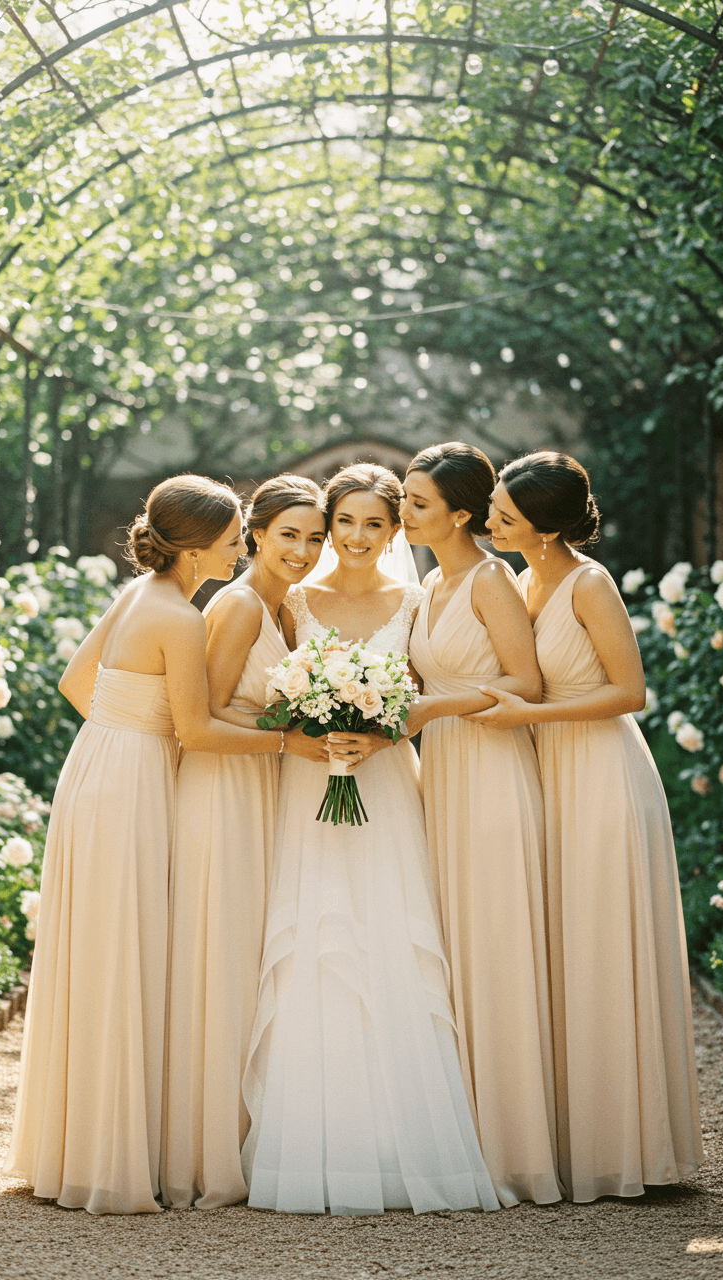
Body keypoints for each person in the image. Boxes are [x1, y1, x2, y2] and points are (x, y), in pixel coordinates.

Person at [5, 474, 308, 1215]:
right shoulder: (178, 616)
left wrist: (124, 725)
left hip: (96, 764)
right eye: (236, 537)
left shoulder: (137, 593)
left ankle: (80, 1146)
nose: (242, 548)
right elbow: (197, 731)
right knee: (127, 951)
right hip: (133, 781)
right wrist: (291, 745)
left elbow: (79, 682)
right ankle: (113, 1158)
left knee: (98, 951)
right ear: (198, 547)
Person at [241, 463, 499, 1216]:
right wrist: (311, 731)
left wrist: (381, 733)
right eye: (344, 522)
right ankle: (305, 1141)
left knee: (390, 928)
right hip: (305, 783)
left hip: (385, 781)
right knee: (313, 932)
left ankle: (401, 1141)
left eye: (374, 524)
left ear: (394, 532)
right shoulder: (293, 600)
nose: (356, 537)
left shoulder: (416, 601)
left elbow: (423, 689)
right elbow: (277, 696)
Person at [469, 450, 704, 1202]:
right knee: (564, 946)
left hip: (601, 773)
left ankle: (633, 1146)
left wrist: (532, 713)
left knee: (604, 942)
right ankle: (575, 1139)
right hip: (545, 772)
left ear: (544, 528)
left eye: (504, 514)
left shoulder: (589, 584)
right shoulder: (517, 579)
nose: (489, 520)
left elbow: (628, 691)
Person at [161, 475, 330, 1209]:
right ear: (255, 531)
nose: (304, 549)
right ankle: (203, 1152)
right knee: (219, 958)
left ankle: (242, 1129)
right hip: (222, 791)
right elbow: (201, 720)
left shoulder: (287, 607)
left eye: (314, 537)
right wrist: (292, 742)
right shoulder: (234, 606)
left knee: (248, 959)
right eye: (289, 534)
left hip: (262, 789)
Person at [403, 442, 562, 1207]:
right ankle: (462, 1126)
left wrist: (437, 706)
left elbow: (523, 681)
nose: (405, 512)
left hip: (493, 769)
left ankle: (516, 1144)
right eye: (405, 497)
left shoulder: (492, 578)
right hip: (443, 775)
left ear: (460, 514)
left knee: (495, 939)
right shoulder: (432, 582)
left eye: (418, 503)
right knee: (454, 940)